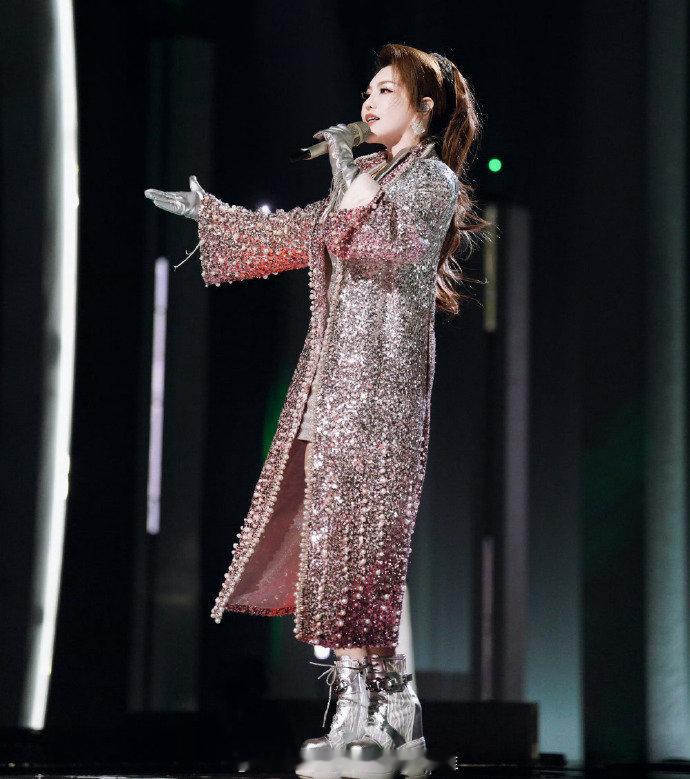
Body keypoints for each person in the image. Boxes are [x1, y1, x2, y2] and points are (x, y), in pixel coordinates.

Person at [145, 43, 487, 779]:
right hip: (331, 385)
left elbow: (382, 248)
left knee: (368, 544)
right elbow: (299, 234)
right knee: (333, 539)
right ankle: (368, 701)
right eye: (367, 90)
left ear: (424, 108)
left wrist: (345, 181)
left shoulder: (431, 180)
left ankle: (376, 704)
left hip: (385, 387)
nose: (368, 102)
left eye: (385, 90)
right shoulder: (365, 178)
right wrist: (209, 215)